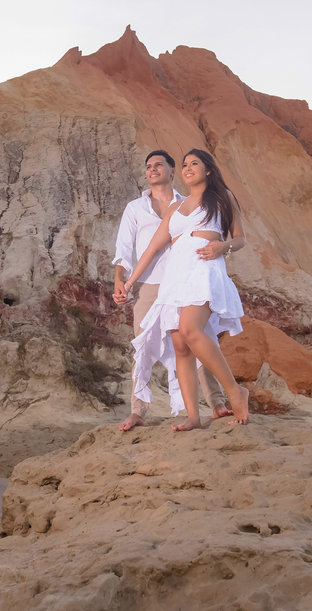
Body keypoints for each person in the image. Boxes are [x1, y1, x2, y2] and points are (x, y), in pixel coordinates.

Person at [123, 148, 251, 428]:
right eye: (185, 165)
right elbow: (152, 248)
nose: (188, 168)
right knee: (180, 345)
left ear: (208, 170)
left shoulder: (222, 198)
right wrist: (129, 282)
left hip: (204, 268)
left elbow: (240, 238)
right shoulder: (175, 209)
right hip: (175, 276)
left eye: (195, 163)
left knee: (191, 331)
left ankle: (235, 392)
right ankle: (193, 416)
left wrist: (223, 246)